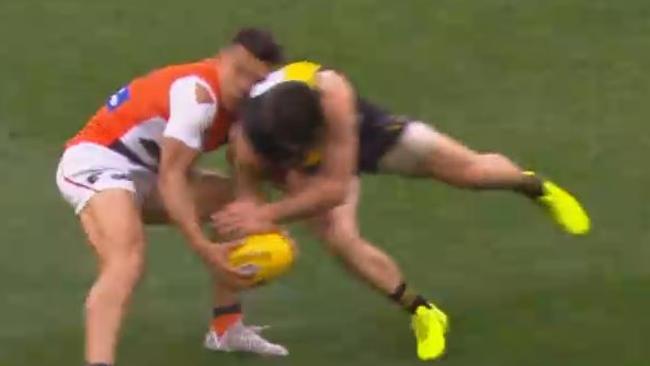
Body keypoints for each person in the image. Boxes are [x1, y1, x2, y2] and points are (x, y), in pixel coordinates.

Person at [212, 61, 591, 361]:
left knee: (470, 172)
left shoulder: (333, 94)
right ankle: (424, 312)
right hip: (305, 170)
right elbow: (249, 194)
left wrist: (269, 214)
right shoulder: (248, 141)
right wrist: (254, 224)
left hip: (365, 134)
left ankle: (533, 186)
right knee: (342, 241)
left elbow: (336, 187)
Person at [55, 28, 286, 366]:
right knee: (126, 259)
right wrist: (204, 248)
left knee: (237, 206)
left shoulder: (250, 107)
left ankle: (226, 327)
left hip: (145, 174)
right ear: (220, 59)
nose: (241, 86)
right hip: (97, 162)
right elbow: (172, 177)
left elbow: (244, 173)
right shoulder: (198, 98)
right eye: (238, 72)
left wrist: (264, 214)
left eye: (254, 81)